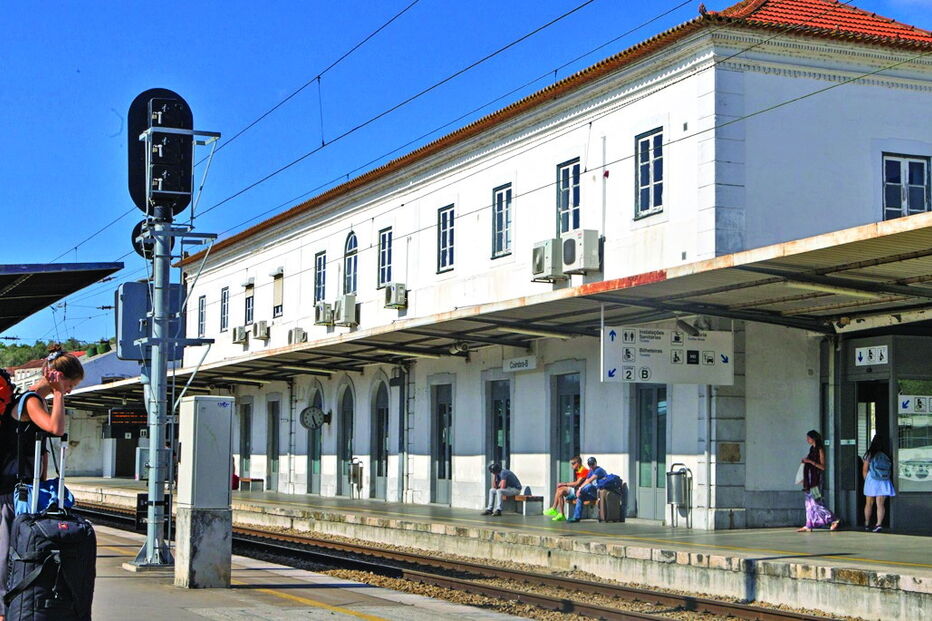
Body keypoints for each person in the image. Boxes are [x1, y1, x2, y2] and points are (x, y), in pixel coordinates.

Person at [0, 345, 83, 620]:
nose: (70, 390)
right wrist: (58, 393)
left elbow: (43, 450)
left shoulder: (37, 401)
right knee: (6, 551)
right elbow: (56, 429)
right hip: (9, 490)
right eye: (70, 384)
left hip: (21, 488)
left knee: (15, 548)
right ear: (56, 376)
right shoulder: (30, 401)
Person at [797, 429, 841, 532]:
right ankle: (809, 524)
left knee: (816, 502)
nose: (807, 440)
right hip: (809, 478)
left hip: (815, 480)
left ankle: (833, 519)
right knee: (808, 503)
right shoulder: (811, 449)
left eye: (809, 438)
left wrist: (810, 462)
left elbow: (822, 466)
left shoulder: (820, 449)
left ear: (813, 438)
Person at [862, 434, 896, 532]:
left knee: (869, 503)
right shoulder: (886, 454)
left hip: (872, 480)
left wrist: (866, 481)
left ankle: (867, 523)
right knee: (880, 504)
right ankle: (878, 524)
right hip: (884, 480)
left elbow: (864, 469)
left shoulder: (869, 454)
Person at [544, 455, 588, 521]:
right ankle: (556, 510)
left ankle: (558, 511)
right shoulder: (578, 470)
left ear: (578, 463)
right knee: (559, 489)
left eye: (573, 464)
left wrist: (564, 484)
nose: (571, 466)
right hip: (576, 490)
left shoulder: (584, 471)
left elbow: (576, 483)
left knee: (561, 490)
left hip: (580, 492)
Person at [567, 457, 607, 523]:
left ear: (595, 463)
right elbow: (586, 480)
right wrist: (580, 490)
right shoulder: (591, 471)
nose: (591, 466)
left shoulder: (599, 470)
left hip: (599, 493)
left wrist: (579, 489)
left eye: (592, 464)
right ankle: (576, 517)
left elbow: (589, 480)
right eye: (589, 464)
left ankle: (574, 494)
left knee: (588, 486)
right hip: (592, 493)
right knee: (580, 497)